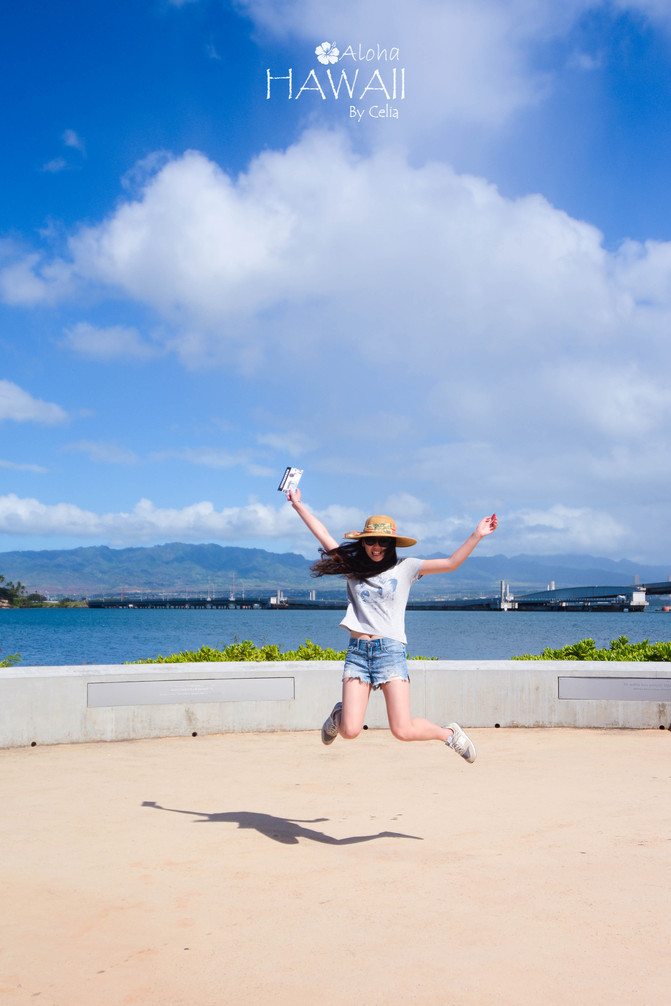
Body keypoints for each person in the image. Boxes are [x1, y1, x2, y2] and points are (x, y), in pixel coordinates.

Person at [287, 488, 498, 763]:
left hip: (390, 652)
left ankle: (449, 734)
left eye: (384, 542)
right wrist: (298, 505)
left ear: (392, 544)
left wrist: (477, 534)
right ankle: (338, 715)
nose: (377, 547)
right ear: (363, 542)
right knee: (350, 731)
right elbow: (323, 535)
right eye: (372, 540)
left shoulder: (406, 567)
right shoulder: (352, 567)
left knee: (402, 730)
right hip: (358, 653)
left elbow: (450, 563)